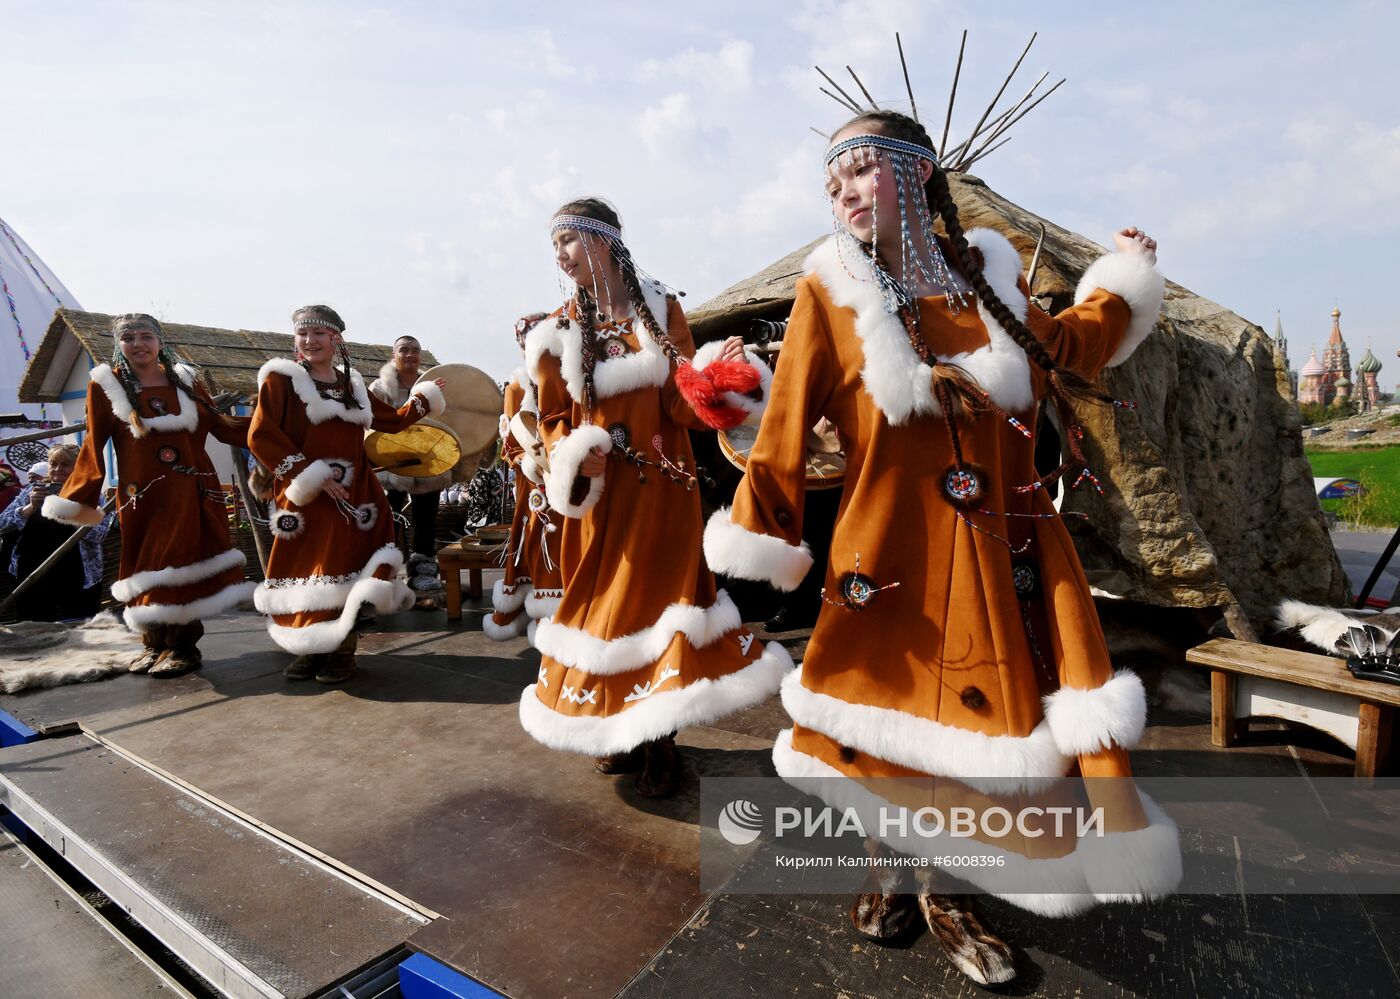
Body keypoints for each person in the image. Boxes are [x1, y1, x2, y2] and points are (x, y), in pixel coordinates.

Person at [703, 111, 1179, 984]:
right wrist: (750, 541)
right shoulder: (831, 288)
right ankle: (902, 873)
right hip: (888, 555)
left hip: (1005, 551)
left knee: (981, 732)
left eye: (860, 172)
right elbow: (784, 425)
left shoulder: (986, 273)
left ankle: (941, 887)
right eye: (830, 181)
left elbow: (1067, 346)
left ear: (917, 174)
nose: (842, 193)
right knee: (890, 722)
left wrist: (1123, 281)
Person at [517, 197, 791, 798]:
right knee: (607, 609)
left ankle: (659, 739)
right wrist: (572, 452)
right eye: (554, 246)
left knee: (660, 607)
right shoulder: (556, 331)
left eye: (568, 241)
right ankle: (622, 727)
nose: (559, 256)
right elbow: (552, 419)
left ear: (603, 242)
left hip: (664, 486)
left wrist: (718, 379)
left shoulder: (661, 309)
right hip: (600, 496)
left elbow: (679, 400)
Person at [44, 314, 254, 675]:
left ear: (159, 342)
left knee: (181, 563)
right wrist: (79, 497)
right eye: (129, 338)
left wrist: (279, 426)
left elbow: (222, 427)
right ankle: (154, 643)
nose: (138, 344)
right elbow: (94, 444)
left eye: (146, 336)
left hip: (190, 491)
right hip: (140, 496)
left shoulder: (187, 381)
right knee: (143, 565)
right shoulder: (105, 385)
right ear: (118, 344)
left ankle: (183, 646)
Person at [248, 305, 445, 683]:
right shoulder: (280, 379)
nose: (311, 341)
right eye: (303, 334)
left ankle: (342, 650)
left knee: (348, 570)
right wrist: (313, 476)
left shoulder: (352, 385)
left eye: (320, 334)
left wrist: (425, 398)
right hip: (307, 497)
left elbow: (392, 420)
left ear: (336, 339)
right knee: (307, 572)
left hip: (356, 499)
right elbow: (261, 436)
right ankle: (310, 646)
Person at [485, 315, 564, 641]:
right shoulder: (517, 388)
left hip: (572, 479)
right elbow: (510, 443)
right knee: (538, 542)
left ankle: (572, 614)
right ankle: (544, 616)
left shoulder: (566, 378)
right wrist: (529, 462)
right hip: (535, 485)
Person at [368, 335, 450, 590]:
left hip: (427, 464)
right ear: (394, 355)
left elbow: (446, 424)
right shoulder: (379, 389)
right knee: (388, 520)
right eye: (404, 350)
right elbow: (374, 427)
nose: (410, 355)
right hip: (390, 464)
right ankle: (385, 575)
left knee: (426, 520)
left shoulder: (435, 386)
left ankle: (423, 573)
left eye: (415, 350)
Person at [0, 444, 111, 621]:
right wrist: (30, 507)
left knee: (81, 628)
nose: (58, 469)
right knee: (35, 632)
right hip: (33, 576)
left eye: (65, 464)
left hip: (77, 577)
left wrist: (69, 511)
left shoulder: (91, 495)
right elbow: (3, 524)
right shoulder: (32, 491)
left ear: (79, 466)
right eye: (53, 464)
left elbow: (99, 534)